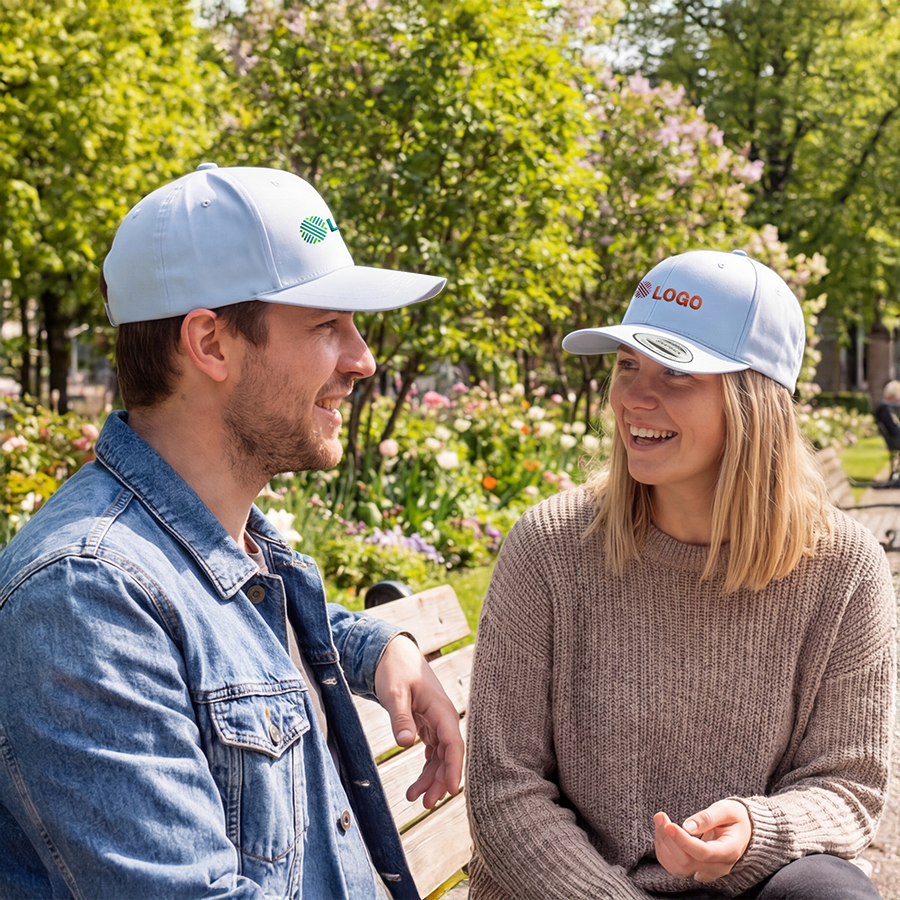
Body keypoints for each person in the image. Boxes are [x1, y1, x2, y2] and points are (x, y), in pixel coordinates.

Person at [0, 163, 464, 900]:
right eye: (327, 324)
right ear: (211, 344)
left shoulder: (224, 544)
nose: (363, 360)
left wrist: (376, 647)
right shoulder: (84, 596)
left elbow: (226, 627)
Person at [465, 249, 897, 900]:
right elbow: (505, 788)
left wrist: (756, 829)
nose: (636, 399)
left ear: (754, 400)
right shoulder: (550, 547)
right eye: (628, 365)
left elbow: (848, 784)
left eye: (676, 371)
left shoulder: (842, 569)